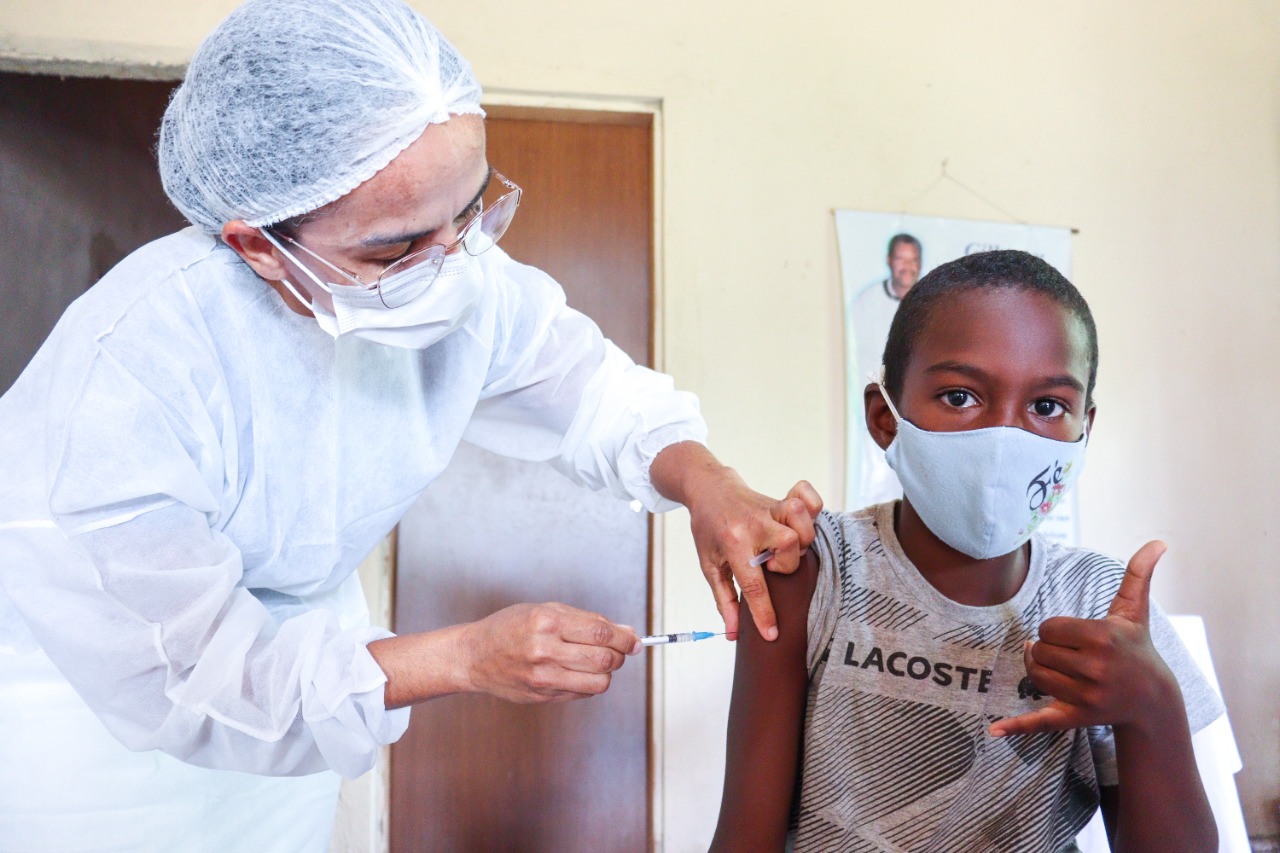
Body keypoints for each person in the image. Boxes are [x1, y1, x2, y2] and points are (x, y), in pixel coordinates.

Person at [0, 0, 820, 848]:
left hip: (296, 746)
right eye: (393, 252)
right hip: (89, 749)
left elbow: (593, 392)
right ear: (257, 245)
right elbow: (192, 673)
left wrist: (708, 482)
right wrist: (465, 657)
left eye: (469, 213)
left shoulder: (461, 277)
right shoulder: (129, 372)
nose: (454, 267)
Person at [712, 251, 1222, 852]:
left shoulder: (1100, 605)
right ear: (884, 417)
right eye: (960, 397)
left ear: (1084, 431)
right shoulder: (814, 568)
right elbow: (745, 837)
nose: (1005, 438)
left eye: (1047, 406)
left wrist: (1151, 709)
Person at [850, 233, 921, 506]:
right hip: (883, 407)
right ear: (889, 261)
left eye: (913, 260)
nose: (907, 267)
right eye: (901, 259)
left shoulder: (933, 304)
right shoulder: (867, 302)